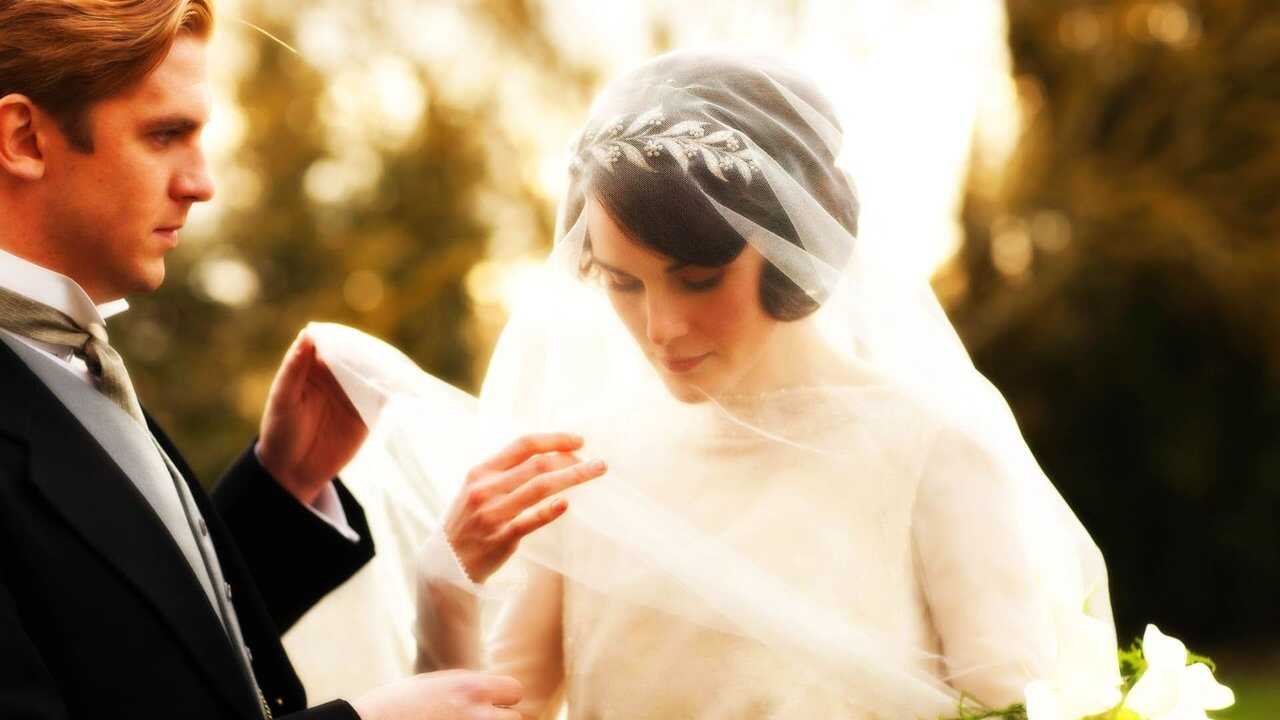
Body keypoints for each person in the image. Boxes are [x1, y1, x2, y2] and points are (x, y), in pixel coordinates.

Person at [294, 51, 1121, 718]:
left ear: (796, 243)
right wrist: (445, 584)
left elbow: (1009, 709)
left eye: (697, 279)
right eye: (622, 283)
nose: (661, 327)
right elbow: (495, 713)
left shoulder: (929, 450)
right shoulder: (582, 462)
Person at [0, 1, 522, 718]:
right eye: (165, 135)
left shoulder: (71, 351)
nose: (201, 183)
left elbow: (124, 647)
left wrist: (284, 484)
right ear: (24, 138)